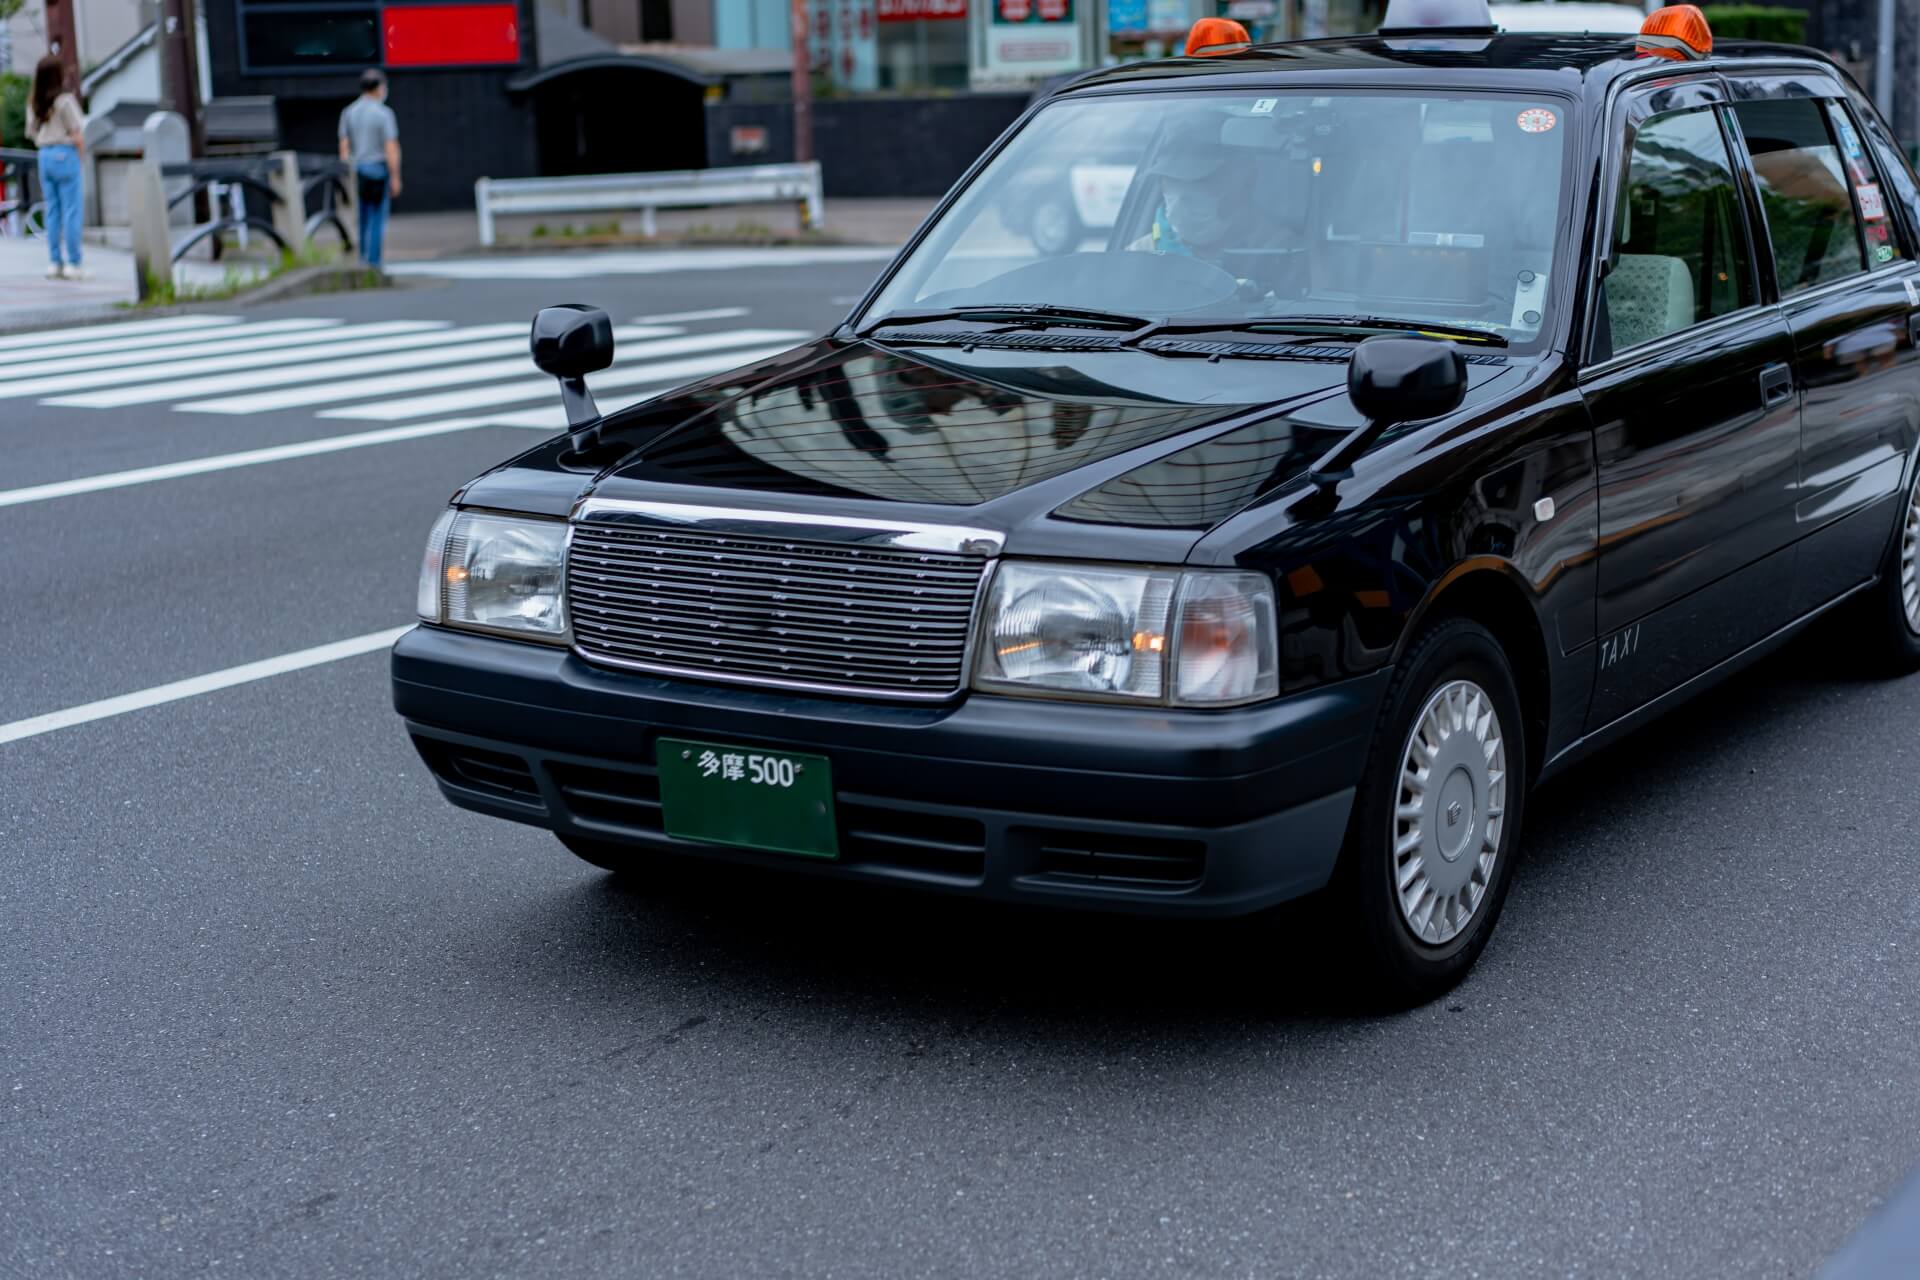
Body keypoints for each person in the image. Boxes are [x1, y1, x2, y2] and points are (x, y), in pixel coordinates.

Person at [25, 54, 86, 281]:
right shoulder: (64, 101)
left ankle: (54, 262)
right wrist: (81, 158)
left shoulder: (34, 102)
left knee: (52, 211)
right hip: (65, 152)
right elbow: (77, 133)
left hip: (44, 155)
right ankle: (74, 263)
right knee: (71, 210)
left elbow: (31, 133)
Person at [338, 68, 401, 268]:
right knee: (377, 219)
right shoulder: (384, 113)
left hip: (357, 171)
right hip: (378, 170)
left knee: (361, 218)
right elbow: (391, 147)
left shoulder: (348, 112)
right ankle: (374, 264)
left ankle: (361, 260)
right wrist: (395, 176)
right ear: (379, 88)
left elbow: (344, 147)